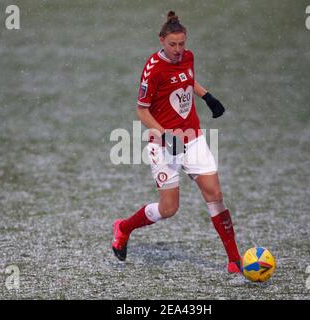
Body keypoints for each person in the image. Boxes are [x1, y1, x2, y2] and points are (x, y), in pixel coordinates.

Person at [112, 11, 241, 273]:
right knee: (169, 209)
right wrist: (165, 134)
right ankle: (123, 227)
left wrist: (208, 97)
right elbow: (142, 110)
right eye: (172, 44)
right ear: (161, 40)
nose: (178, 49)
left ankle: (234, 260)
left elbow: (187, 79)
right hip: (163, 144)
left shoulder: (187, 57)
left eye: (182, 44)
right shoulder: (153, 70)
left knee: (215, 193)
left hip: (192, 137)